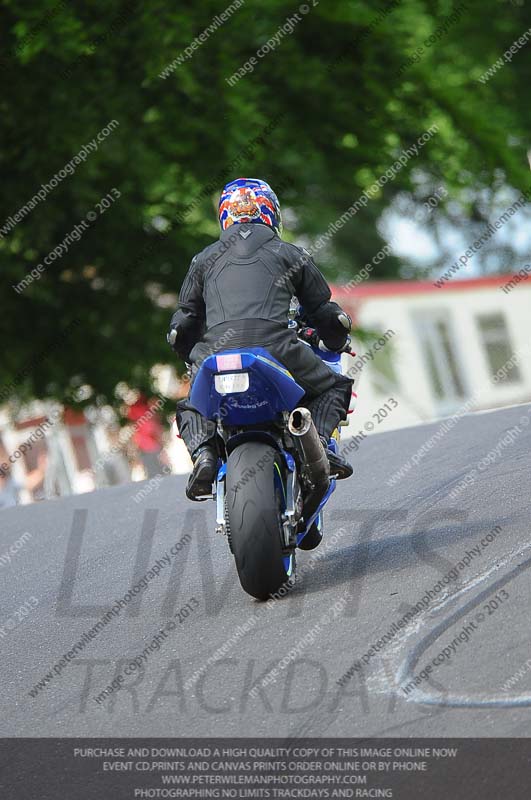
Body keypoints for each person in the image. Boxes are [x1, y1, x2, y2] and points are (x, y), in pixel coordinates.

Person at [168, 177, 354, 500]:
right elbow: (327, 315)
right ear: (270, 212)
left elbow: (180, 329)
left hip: (214, 355)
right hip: (277, 347)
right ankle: (319, 446)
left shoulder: (203, 259)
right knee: (335, 386)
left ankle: (204, 455)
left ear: (225, 215)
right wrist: (335, 341)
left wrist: (192, 356)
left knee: (191, 406)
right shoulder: (288, 253)